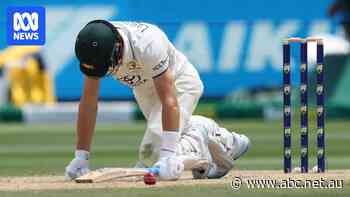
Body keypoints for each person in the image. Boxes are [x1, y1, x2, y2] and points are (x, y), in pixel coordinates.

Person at [65, 20, 203, 181]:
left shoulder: (148, 44)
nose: (106, 71)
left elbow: (169, 100)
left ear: (117, 48)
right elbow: (88, 103)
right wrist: (81, 157)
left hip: (178, 83)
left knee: (151, 153)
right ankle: (220, 139)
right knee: (163, 145)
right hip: (143, 88)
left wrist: (167, 156)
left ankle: (202, 139)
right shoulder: (94, 47)